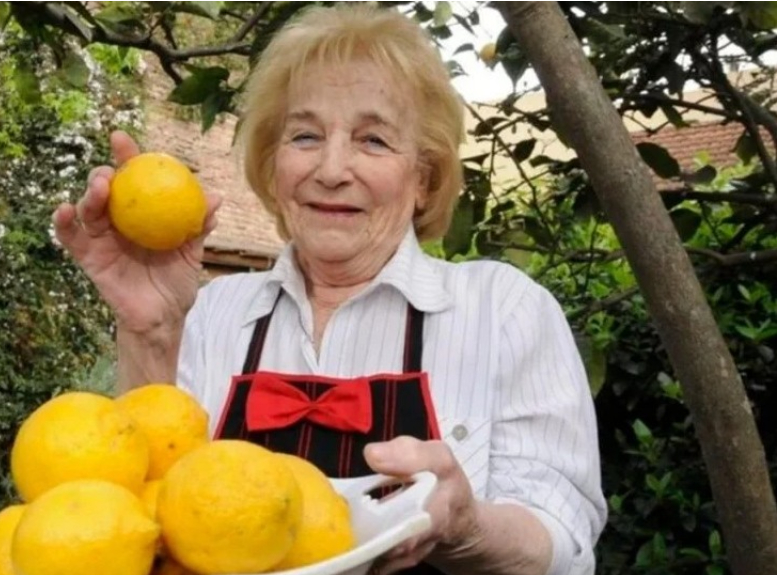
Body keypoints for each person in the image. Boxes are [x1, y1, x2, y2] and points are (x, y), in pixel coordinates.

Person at [52, 5, 607, 574]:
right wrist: (151, 328)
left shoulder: (503, 310)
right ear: (273, 166)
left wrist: (467, 527)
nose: (332, 168)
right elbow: (147, 517)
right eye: (306, 135)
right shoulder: (212, 310)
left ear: (423, 178)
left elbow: (561, 539)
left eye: (372, 140)